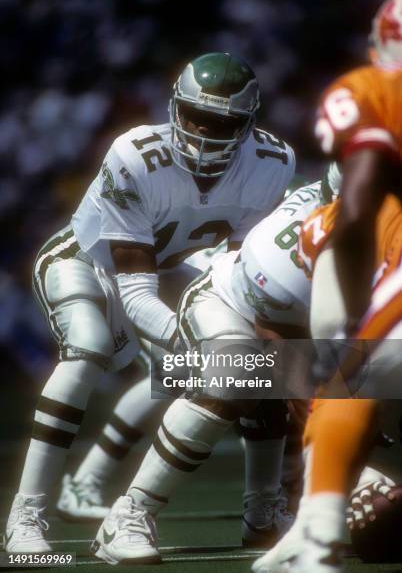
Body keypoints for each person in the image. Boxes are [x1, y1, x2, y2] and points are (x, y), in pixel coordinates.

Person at [4, 52, 296, 553]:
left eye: (221, 122)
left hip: (165, 269)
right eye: (195, 116)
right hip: (86, 261)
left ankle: (263, 510)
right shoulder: (134, 153)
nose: (204, 132)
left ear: (248, 122)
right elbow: (134, 292)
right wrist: (200, 348)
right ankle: (25, 516)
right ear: (173, 107)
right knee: (89, 349)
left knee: (252, 358)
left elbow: (240, 271)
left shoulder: (272, 162)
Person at [89, 169, 342, 565]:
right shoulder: (292, 251)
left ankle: (263, 516)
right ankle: (129, 514)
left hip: (293, 319)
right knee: (240, 375)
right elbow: (282, 351)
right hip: (224, 302)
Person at [252, 0, 402, 573]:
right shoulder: (297, 226)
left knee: (347, 378)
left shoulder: (370, 98)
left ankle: (317, 538)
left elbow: (360, 205)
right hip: (240, 303)